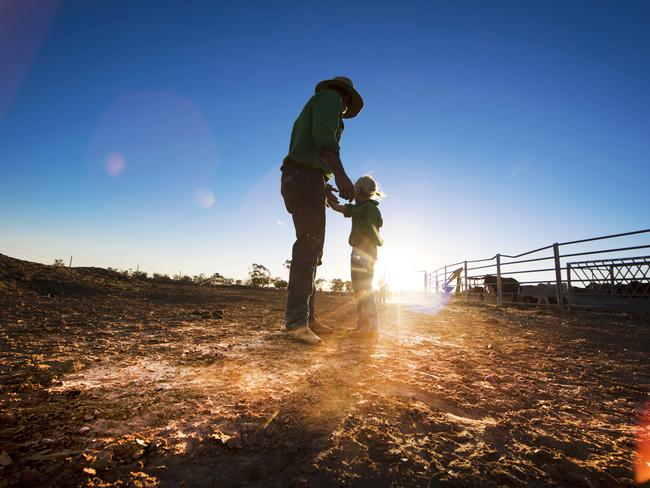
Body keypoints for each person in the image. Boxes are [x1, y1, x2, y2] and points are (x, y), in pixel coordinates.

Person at [281, 76, 364, 345]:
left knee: (313, 249)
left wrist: (324, 186)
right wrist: (341, 176)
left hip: (304, 178)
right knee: (309, 246)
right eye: (346, 106)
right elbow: (324, 140)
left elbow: (310, 150)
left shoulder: (315, 104)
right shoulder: (330, 99)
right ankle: (297, 323)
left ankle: (308, 318)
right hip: (304, 177)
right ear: (346, 98)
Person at [326, 175, 384, 335]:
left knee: (365, 288)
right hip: (357, 251)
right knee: (359, 290)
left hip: (365, 252)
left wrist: (361, 253)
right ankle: (362, 324)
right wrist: (327, 197)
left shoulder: (371, 209)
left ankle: (371, 326)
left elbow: (371, 233)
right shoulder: (358, 208)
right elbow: (339, 208)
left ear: (358, 190)